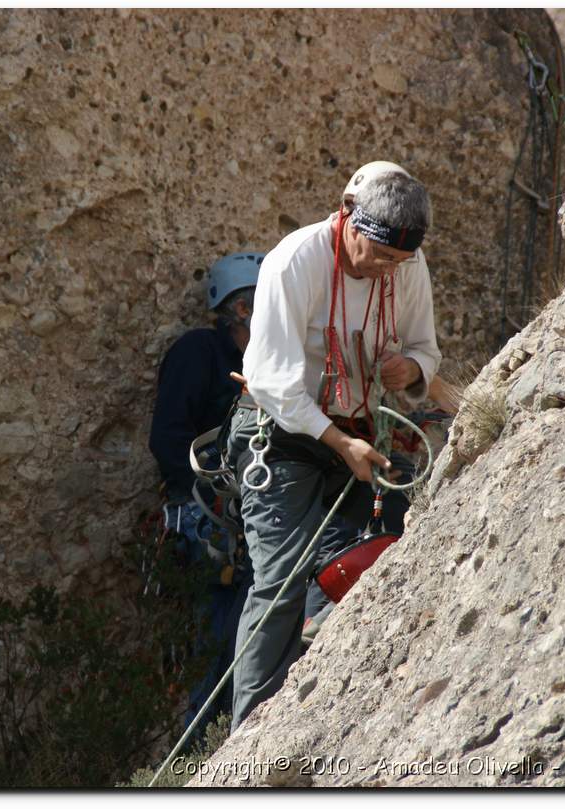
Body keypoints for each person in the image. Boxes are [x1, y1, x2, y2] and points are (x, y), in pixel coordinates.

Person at [226, 162, 441, 730]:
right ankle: (247, 741)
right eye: (376, 253)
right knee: (280, 581)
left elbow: (425, 348)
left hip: (360, 431)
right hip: (281, 433)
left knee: (378, 560)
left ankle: (341, 714)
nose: (383, 269)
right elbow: (272, 381)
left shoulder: (407, 265)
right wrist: (339, 440)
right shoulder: (296, 261)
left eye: (396, 261)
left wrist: (411, 368)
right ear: (347, 217)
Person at [148, 251, 264, 732]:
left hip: (245, 521)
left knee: (240, 650)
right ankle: (197, 760)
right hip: (204, 522)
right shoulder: (200, 352)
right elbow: (168, 439)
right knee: (208, 653)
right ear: (241, 309)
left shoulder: (260, 363)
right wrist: (210, 487)